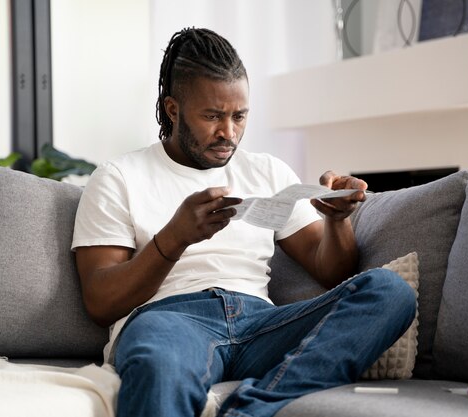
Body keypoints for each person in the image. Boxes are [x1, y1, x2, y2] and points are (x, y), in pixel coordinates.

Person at [72, 27, 415, 417]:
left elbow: (331, 269)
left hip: (259, 324)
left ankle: (249, 410)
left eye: (239, 116)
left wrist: (337, 220)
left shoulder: (267, 170)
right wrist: (174, 239)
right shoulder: (119, 176)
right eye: (212, 117)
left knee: (390, 291)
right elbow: (100, 302)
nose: (228, 133)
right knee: (158, 362)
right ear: (173, 110)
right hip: (170, 320)